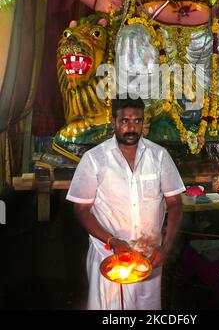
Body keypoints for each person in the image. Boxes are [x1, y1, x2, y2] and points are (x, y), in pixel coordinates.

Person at [66, 94, 186, 310]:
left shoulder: (159, 156)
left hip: (149, 256)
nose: (131, 127)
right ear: (113, 122)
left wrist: (165, 248)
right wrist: (113, 241)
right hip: (109, 257)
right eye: (125, 121)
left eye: (137, 121)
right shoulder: (95, 159)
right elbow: (81, 210)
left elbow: (175, 203)